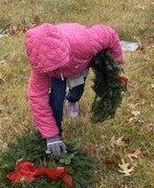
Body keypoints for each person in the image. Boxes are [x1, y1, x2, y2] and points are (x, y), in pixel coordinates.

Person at [24, 22, 124, 155]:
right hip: (56, 76)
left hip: (77, 64)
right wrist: (51, 136)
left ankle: (72, 99)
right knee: (56, 100)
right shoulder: (41, 66)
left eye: (56, 65)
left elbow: (110, 35)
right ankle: (56, 135)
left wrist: (116, 63)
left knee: (77, 92)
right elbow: (38, 97)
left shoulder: (86, 42)